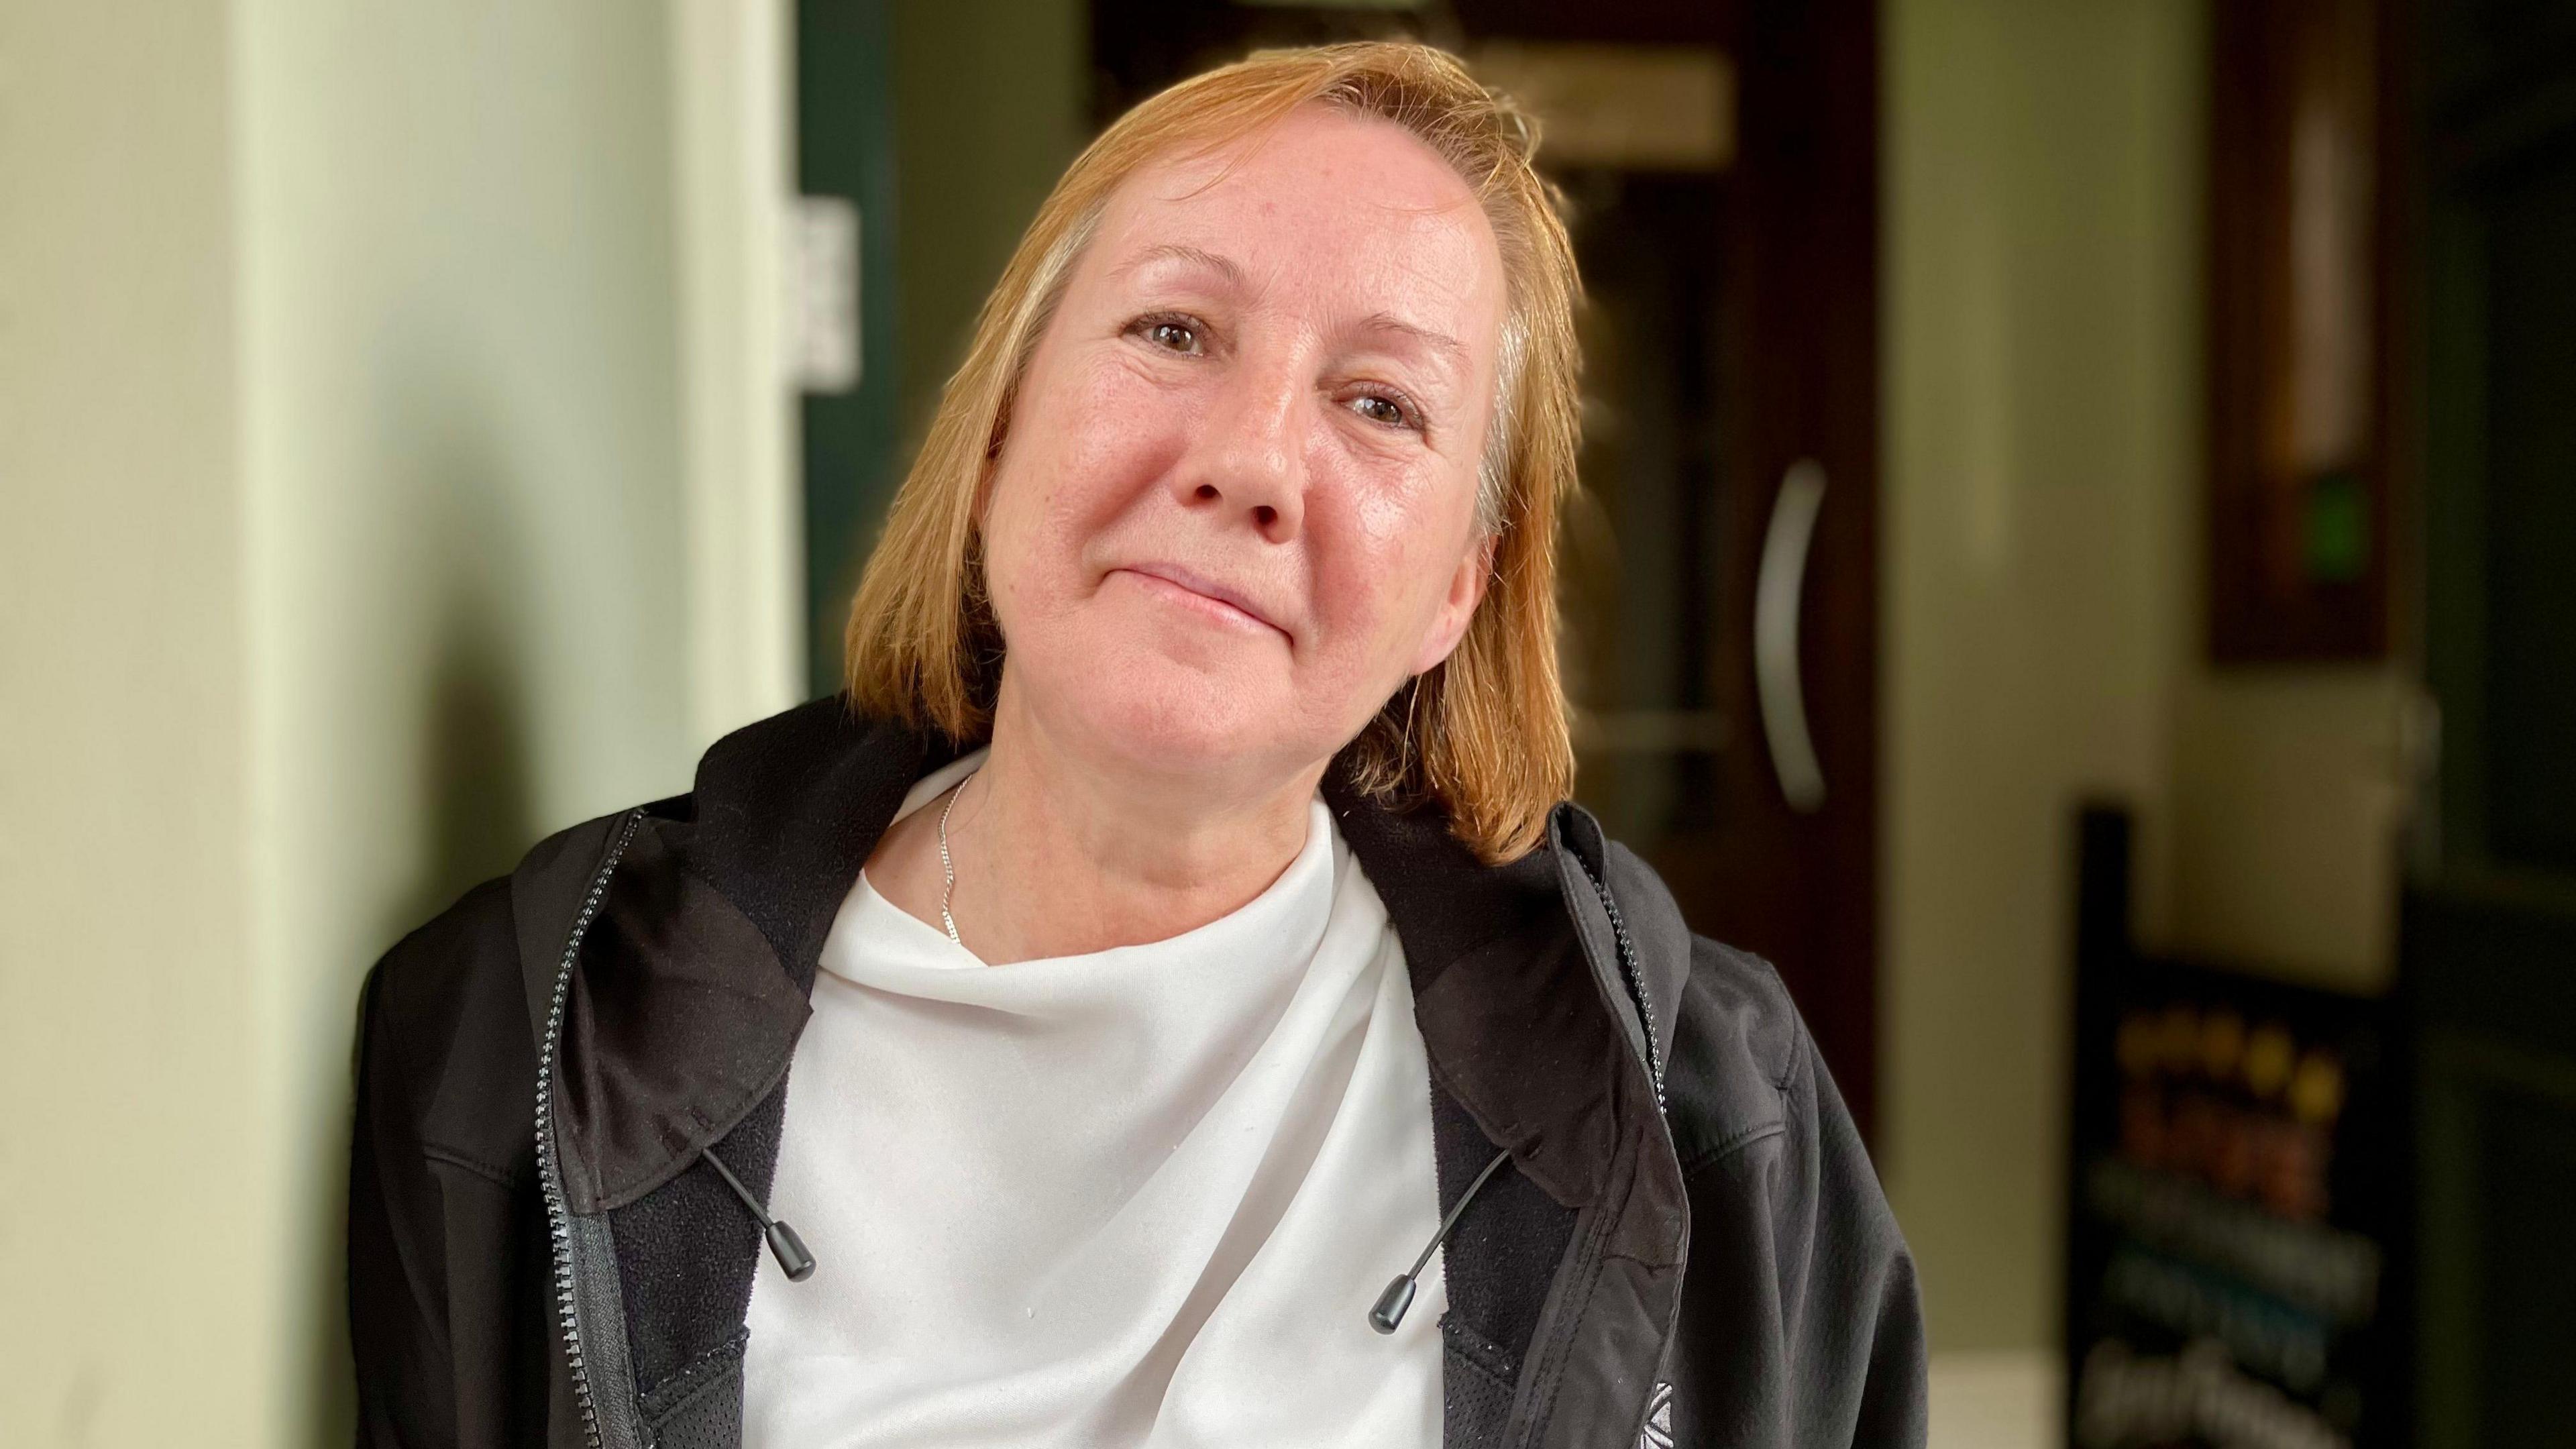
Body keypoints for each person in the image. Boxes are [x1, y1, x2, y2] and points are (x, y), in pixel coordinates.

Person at [347, 40, 1923, 1449]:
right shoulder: (518, 1045)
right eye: (1174, 328)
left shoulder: (1722, 1110)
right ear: (1001, 430)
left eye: (1381, 405)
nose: (1250, 461)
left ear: (1459, 588)